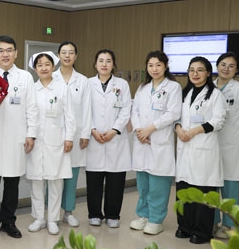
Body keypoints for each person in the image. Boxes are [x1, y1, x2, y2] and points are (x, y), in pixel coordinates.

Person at [0, 35, 38, 239]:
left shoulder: (25, 77)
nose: (5, 54)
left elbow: (32, 108)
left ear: (16, 53)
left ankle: (8, 222)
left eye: (9, 50)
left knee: (12, 184)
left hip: (17, 137)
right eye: (0, 50)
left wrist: (31, 134)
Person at [174, 56, 226, 244]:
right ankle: (184, 226)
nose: (195, 74)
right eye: (192, 70)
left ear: (208, 73)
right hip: (185, 145)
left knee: (203, 190)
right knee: (184, 188)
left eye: (200, 70)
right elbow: (176, 116)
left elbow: (219, 120)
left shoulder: (215, 94)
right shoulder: (184, 93)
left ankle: (202, 231)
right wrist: (178, 128)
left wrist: (194, 131)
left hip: (203, 147)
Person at [129, 51, 181, 236]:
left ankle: (156, 220)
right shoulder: (143, 88)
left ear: (165, 66)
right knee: (143, 184)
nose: (154, 69)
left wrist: (150, 129)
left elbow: (173, 113)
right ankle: (143, 215)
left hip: (159, 141)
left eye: (158, 65)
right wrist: (139, 130)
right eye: (151, 65)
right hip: (142, 141)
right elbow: (134, 111)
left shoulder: (173, 87)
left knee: (158, 185)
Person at [26, 52, 75, 235]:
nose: (44, 68)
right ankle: (39, 218)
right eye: (40, 65)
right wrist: (28, 136)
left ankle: (53, 219)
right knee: (36, 182)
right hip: (35, 142)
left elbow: (70, 115)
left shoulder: (62, 88)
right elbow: (27, 115)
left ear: (53, 66)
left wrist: (69, 137)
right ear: (35, 68)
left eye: (47, 64)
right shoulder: (32, 88)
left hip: (57, 141)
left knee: (55, 182)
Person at [86, 49, 131, 228]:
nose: (104, 64)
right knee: (94, 180)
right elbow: (84, 110)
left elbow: (126, 110)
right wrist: (92, 130)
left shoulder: (122, 84)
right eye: (101, 60)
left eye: (108, 61)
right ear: (95, 64)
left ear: (113, 64)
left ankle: (113, 215)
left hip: (115, 138)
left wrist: (114, 130)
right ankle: (94, 214)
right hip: (94, 137)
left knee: (115, 180)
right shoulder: (88, 84)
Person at [213, 52, 239, 239]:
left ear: (236, 70)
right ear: (217, 66)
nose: (226, 69)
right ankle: (212, 221)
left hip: (232, 146)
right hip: (211, 143)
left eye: (231, 66)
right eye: (223, 64)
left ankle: (229, 225)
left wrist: (235, 137)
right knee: (212, 185)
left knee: (230, 188)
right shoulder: (210, 87)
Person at [52, 41, 91, 228]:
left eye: (71, 53)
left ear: (76, 56)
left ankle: (68, 212)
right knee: (53, 174)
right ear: (58, 55)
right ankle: (51, 212)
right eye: (64, 52)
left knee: (72, 174)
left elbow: (87, 109)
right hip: (53, 134)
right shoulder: (50, 77)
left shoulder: (83, 81)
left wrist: (85, 134)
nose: (67, 56)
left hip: (75, 135)